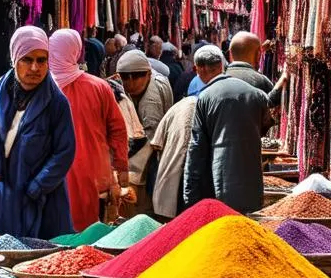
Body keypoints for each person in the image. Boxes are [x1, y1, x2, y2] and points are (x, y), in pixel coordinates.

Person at [0, 26, 76, 239]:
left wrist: (37, 187)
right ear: (14, 59)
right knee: (5, 256)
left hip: (42, 198)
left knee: (41, 260)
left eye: (42, 60)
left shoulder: (57, 102)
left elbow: (64, 152)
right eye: (27, 60)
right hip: (4, 195)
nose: (35, 67)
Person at [49, 29, 130, 231]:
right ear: (77, 51)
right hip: (93, 173)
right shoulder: (99, 87)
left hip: (50, 172)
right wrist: (121, 168)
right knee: (89, 237)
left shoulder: (41, 89)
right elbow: (118, 130)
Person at [183, 46, 271, 214]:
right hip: (252, 184)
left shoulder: (205, 97)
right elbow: (265, 125)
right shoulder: (254, 92)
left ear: (199, 69)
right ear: (222, 65)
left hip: (220, 184)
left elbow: (196, 148)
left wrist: (190, 196)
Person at [151, 44, 223, 218]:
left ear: (197, 70)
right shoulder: (214, 104)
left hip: (171, 190)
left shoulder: (180, 106)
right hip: (195, 186)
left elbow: (156, 143)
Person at [115, 49, 171, 204]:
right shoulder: (150, 80)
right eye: (125, 77)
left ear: (148, 74)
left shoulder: (150, 102)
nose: (131, 82)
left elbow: (150, 140)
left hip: (150, 159)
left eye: (137, 76)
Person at [226, 31, 288, 108]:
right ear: (258, 55)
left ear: (230, 54)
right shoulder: (261, 81)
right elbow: (270, 105)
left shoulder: (217, 80)